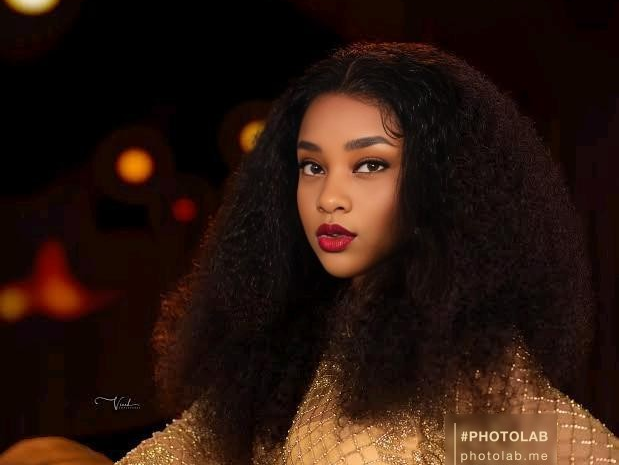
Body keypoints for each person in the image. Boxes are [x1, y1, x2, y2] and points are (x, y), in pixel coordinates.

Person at [2, 41, 618, 465]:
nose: (329, 197)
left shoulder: (473, 369)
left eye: (369, 164)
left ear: (445, 185)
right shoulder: (287, 353)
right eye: (311, 166)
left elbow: (580, 450)